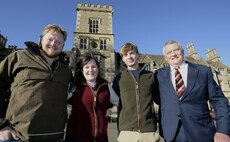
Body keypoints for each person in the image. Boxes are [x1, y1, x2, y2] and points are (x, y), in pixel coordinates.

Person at [0, 24, 73, 142]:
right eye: (50, 39)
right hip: (18, 136)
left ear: (63, 45)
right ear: (41, 39)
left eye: (59, 42)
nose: (53, 44)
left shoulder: (66, 69)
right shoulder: (19, 57)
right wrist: (2, 124)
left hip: (55, 136)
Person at [154, 40, 230, 142]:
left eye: (176, 50)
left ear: (182, 51)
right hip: (172, 134)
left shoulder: (203, 71)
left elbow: (219, 102)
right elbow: (159, 99)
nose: (173, 54)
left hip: (201, 131)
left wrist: (223, 131)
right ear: (165, 58)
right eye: (169, 52)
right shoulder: (158, 75)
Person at [112, 42, 161, 142]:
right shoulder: (119, 78)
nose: (129, 57)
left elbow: (160, 99)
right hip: (127, 130)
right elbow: (112, 100)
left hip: (148, 131)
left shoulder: (151, 76)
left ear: (138, 55)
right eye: (125, 55)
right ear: (122, 59)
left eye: (132, 53)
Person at [65, 54, 119, 142]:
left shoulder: (106, 86)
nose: (90, 70)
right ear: (82, 70)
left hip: (101, 138)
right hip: (76, 138)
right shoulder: (74, 86)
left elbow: (119, 103)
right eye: (86, 67)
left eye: (93, 67)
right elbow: (60, 101)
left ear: (98, 69)